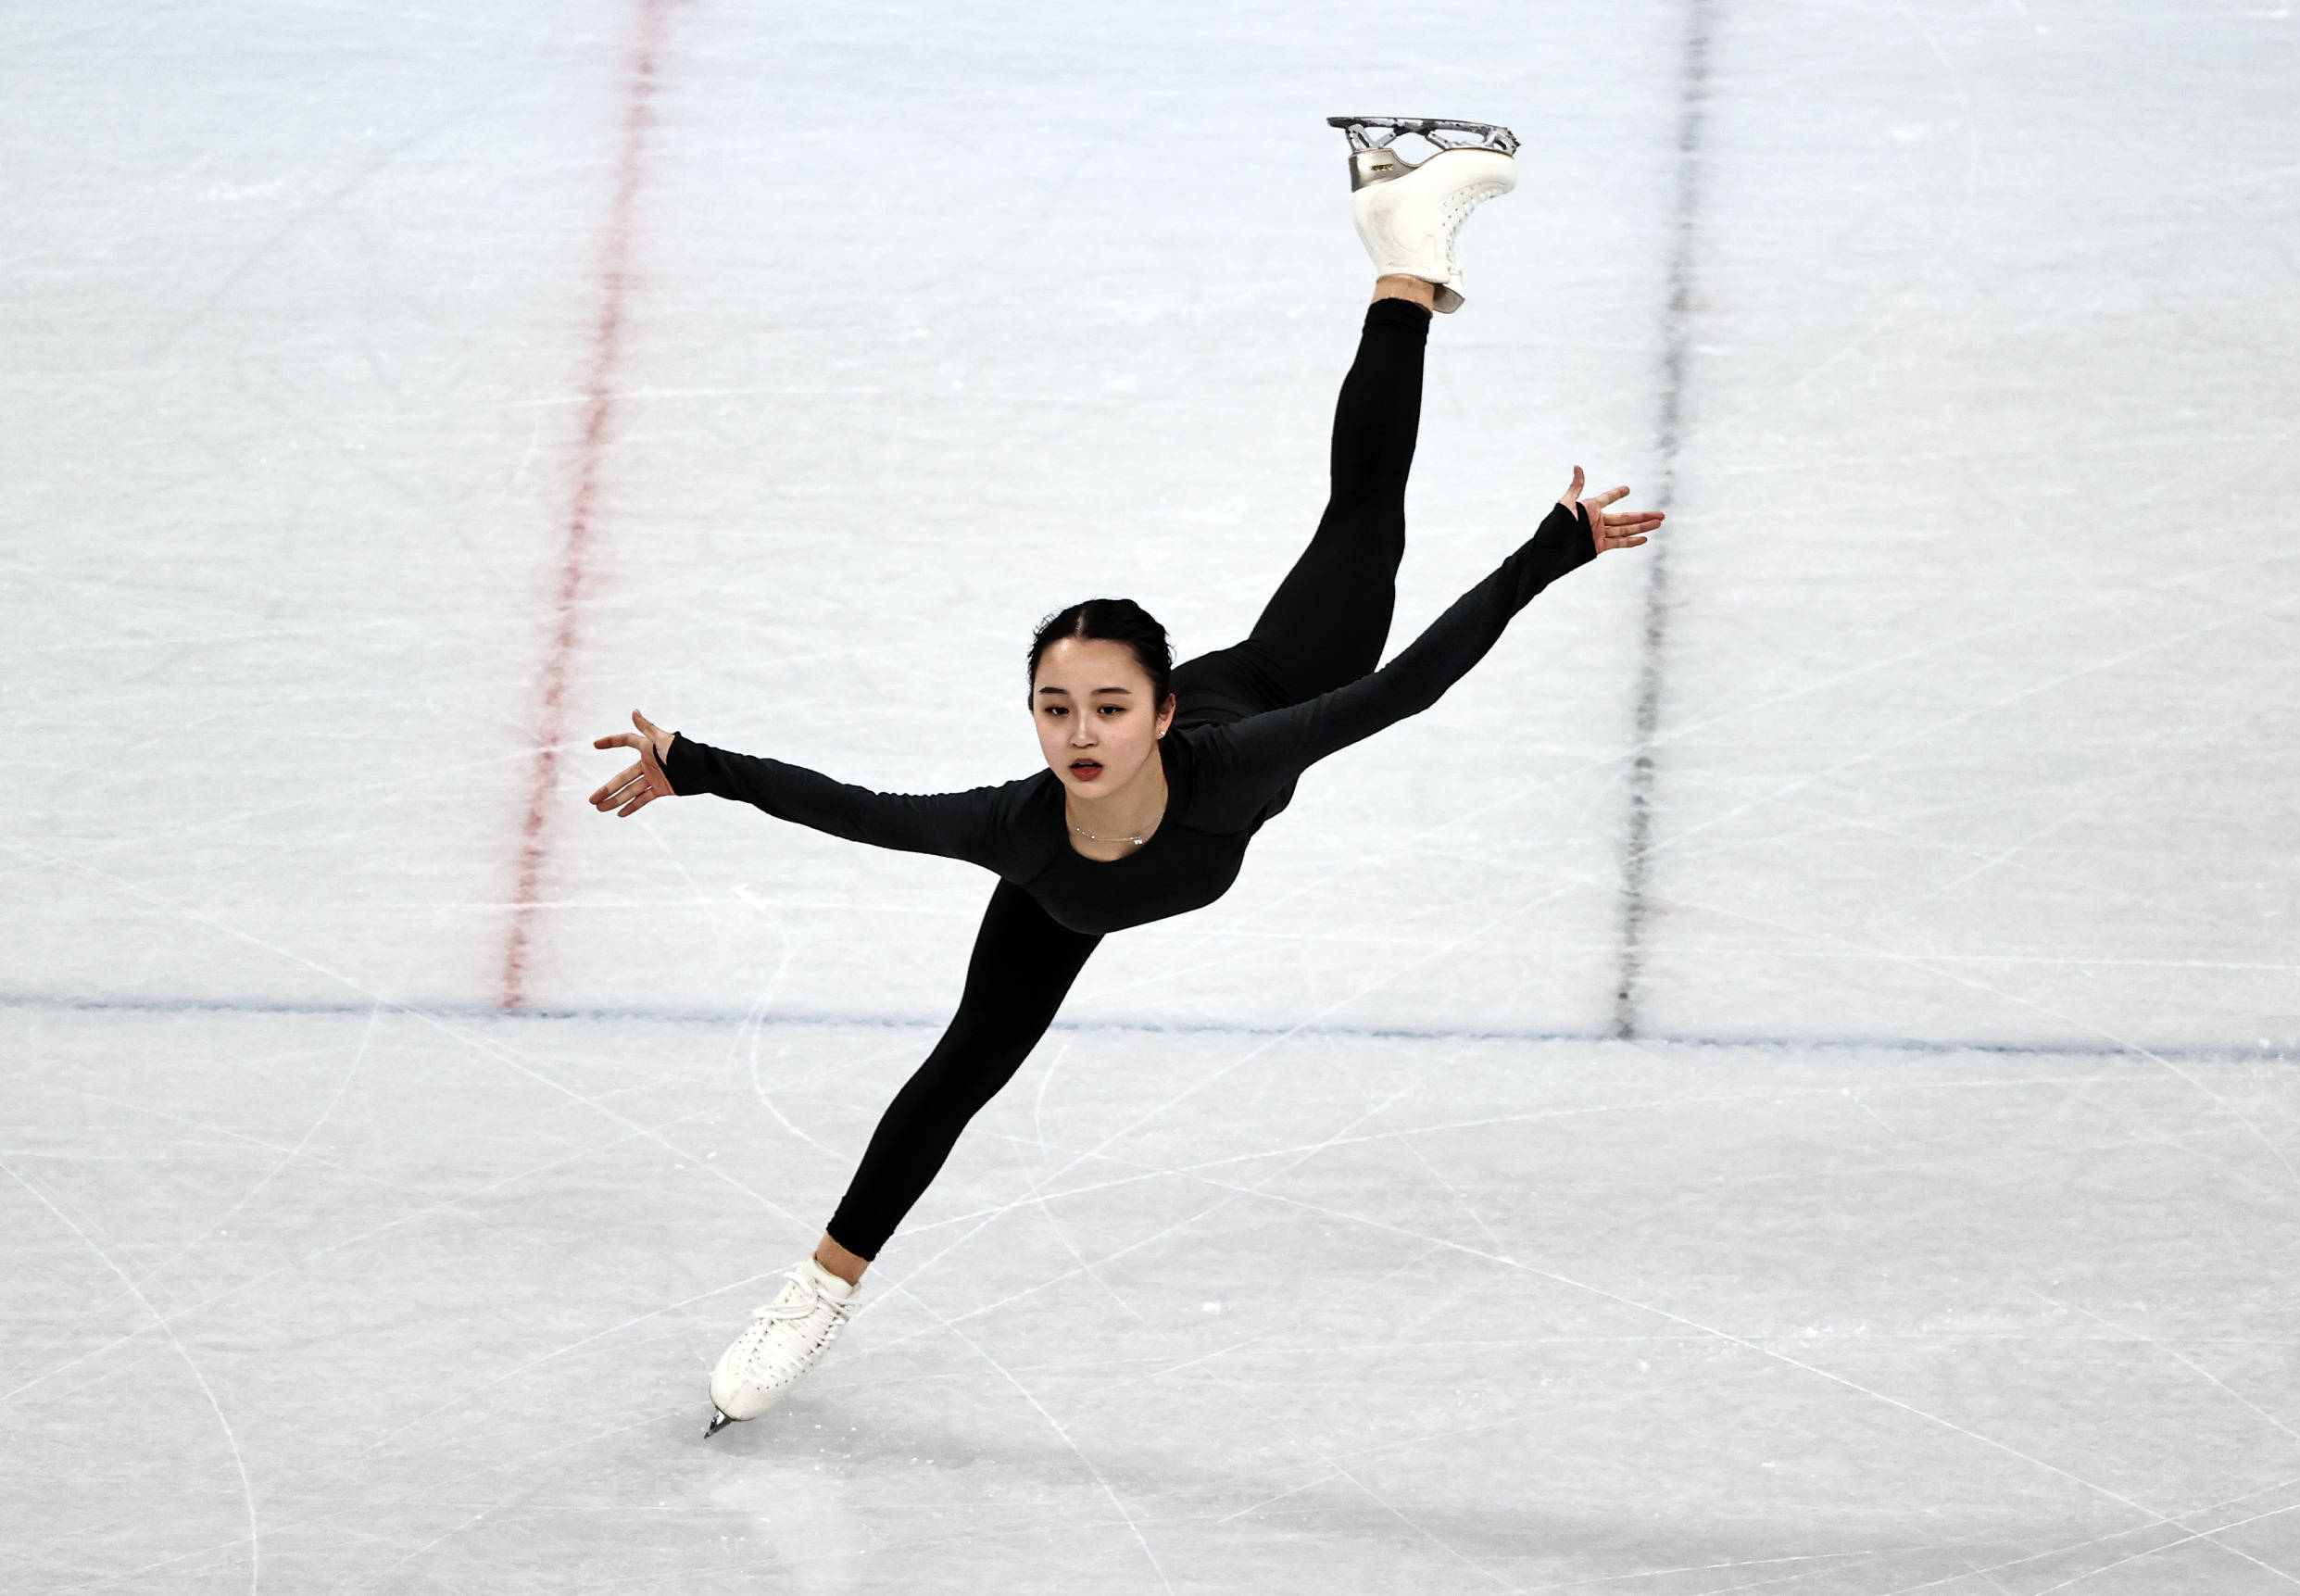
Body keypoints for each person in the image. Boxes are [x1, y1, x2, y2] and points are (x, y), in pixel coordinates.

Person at [587, 117, 1664, 1437]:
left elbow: (1403, 690)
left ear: (1158, 713)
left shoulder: (1245, 743)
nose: (1079, 732)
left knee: (1365, 516)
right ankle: (814, 1297)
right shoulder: (1021, 836)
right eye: (1054, 709)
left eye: (1106, 707)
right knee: (962, 1071)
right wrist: (693, 767)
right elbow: (854, 810)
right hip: (1074, 893)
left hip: (1272, 672)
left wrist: (1545, 554)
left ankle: (1406, 243)